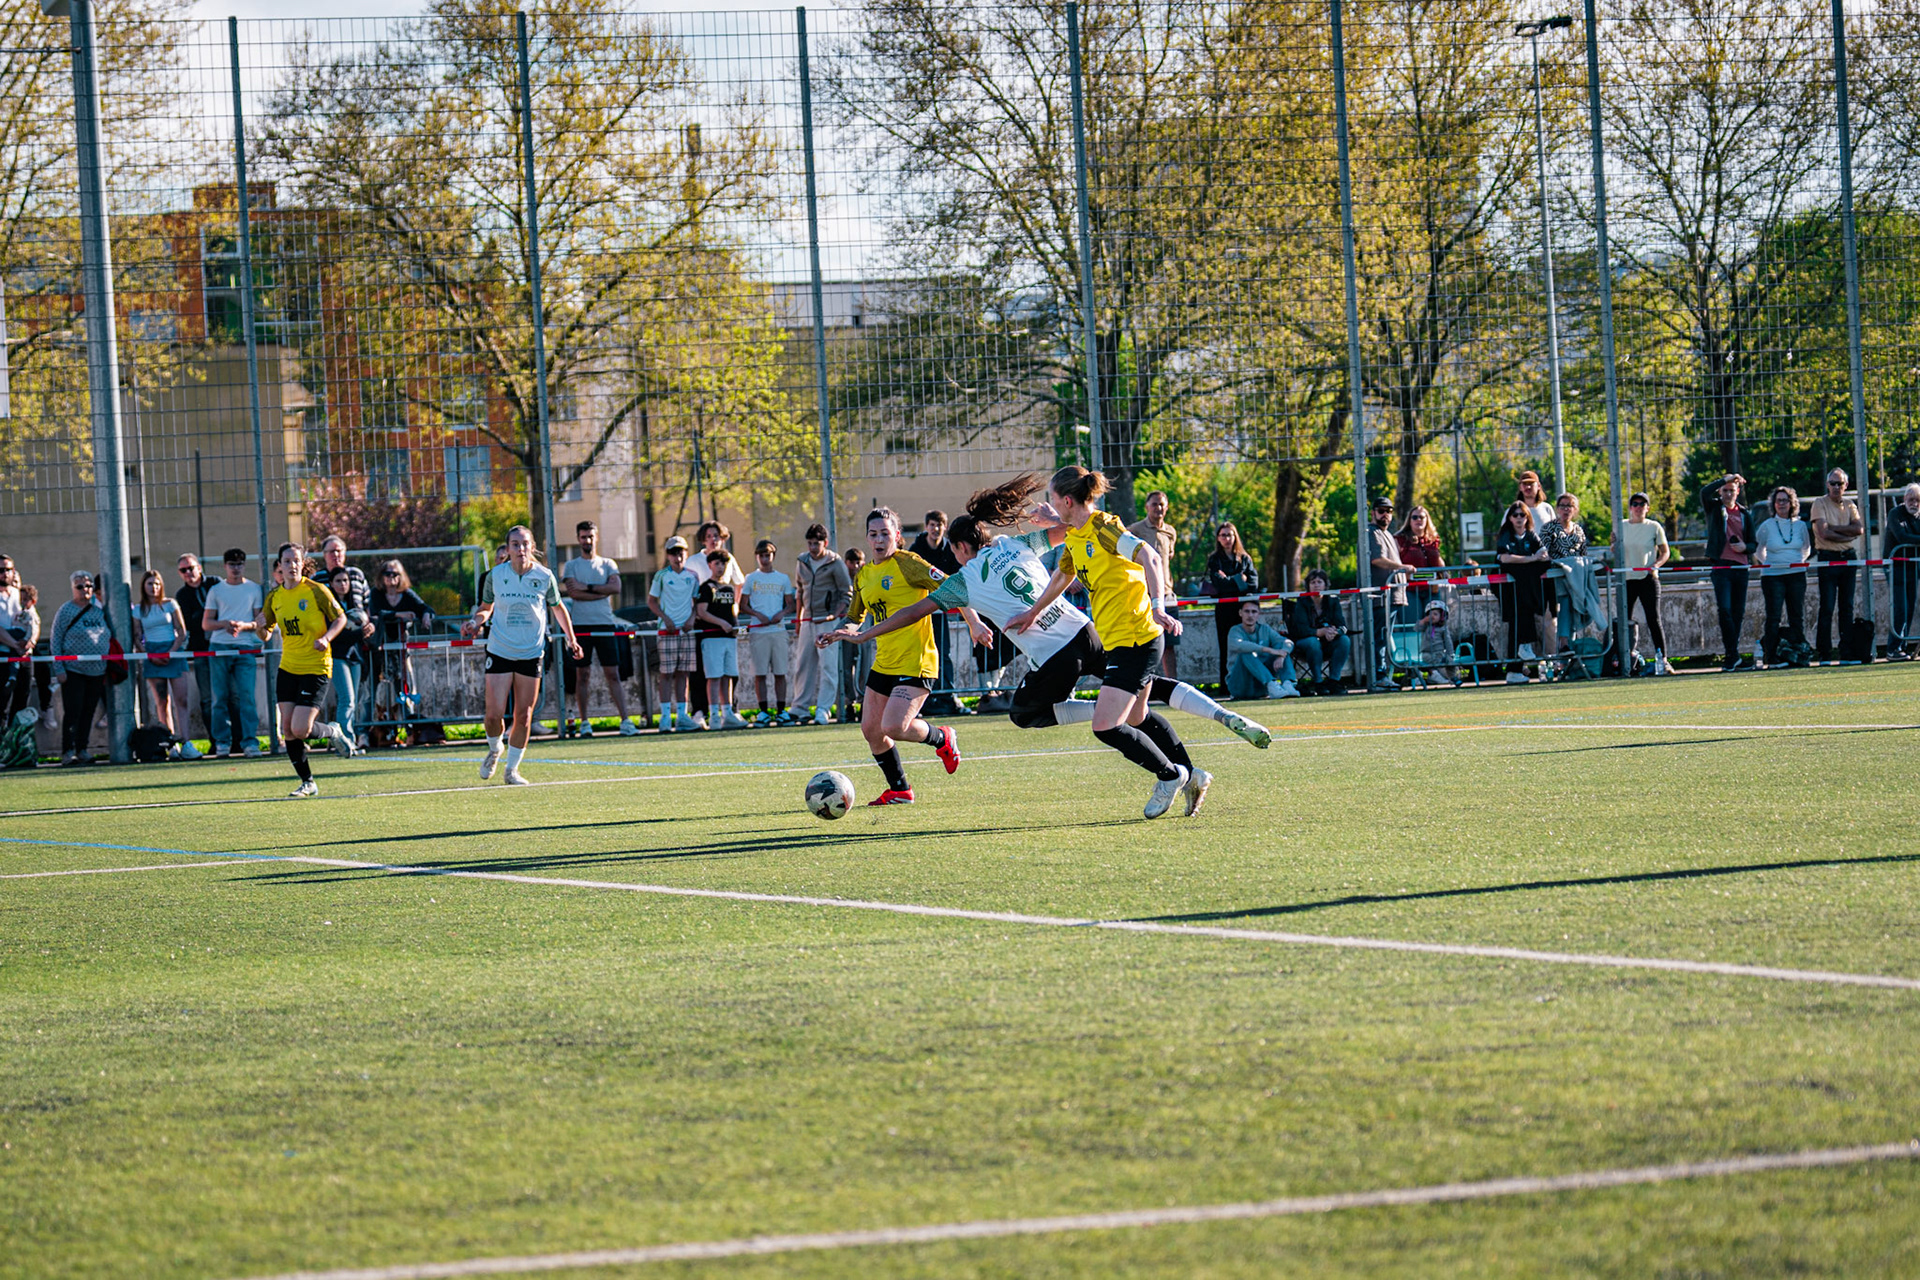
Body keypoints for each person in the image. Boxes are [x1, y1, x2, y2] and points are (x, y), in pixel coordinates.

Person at [822, 476, 1270, 797]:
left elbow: (912, 612)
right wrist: (1050, 515)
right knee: (1140, 695)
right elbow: (1070, 528)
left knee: (1025, 713)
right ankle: (1189, 768)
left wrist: (864, 635)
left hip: (1057, 656)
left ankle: (1122, 726)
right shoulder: (1016, 545)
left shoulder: (964, 581)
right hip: (1086, 633)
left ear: (959, 549)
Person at [1008, 467, 1203, 819]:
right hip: (1120, 641)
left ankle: (1170, 776)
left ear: (1068, 501)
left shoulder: (1103, 527)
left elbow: (1150, 556)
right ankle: (1192, 775)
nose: (1051, 505)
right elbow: (1062, 575)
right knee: (1138, 716)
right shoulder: (1076, 535)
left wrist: (1158, 606)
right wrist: (1033, 612)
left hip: (1137, 639)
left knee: (1106, 725)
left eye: (1053, 499)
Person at [833, 507, 963, 804]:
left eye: (885, 533)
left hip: (916, 660)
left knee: (894, 726)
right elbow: (855, 616)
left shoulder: (909, 563)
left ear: (897, 536)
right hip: (885, 662)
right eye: (873, 534)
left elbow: (954, 586)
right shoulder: (864, 574)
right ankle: (900, 789)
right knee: (871, 730)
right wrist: (840, 631)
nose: (879, 540)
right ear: (867, 538)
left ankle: (942, 737)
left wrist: (975, 623)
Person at [463, 525, 583, 784]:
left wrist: (571, 639)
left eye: (525, 543)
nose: (521, 549)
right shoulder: (495, 575)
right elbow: (486, 608)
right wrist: (475, 622)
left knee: (524, 715)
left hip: (531, 652)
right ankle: (495, 748)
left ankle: (512, 770)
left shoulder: (544, 576)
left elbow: (558, 608)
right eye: (515, 544)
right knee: (493, 715)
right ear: (507, 549)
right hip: (500, 650)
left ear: (532, 547)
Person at [253, 543, 351, 797]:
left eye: (296, 560)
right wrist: (260, 626)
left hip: (315, 667)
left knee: (300, 729)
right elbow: (265, 635)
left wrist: (326, 638)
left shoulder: (316, 590)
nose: (292, 565)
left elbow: (341, 618)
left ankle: (332, 731)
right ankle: (308, 782)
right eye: (287, 561)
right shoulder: (274, 597)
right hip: (288, 668)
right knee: (287, 729)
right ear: (280, 566)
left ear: (303, 563)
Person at [561, 520, 639, 737]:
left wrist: (587, 587)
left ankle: (625, 721)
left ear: (596, 537)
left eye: (591, 536)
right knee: (582, 675)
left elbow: (616, 588)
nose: (587, 540)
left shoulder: (608, 564)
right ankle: (585, 722)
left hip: (605, 623)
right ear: (578, 539)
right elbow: (573, 593)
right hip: (580, 626)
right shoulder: (571, 566)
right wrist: (601, 591)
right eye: (583, 537)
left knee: (613, 674)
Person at [312, 536, 373, 755]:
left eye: (339, 551)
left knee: (352, 699)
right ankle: (345, 740)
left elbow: (367, 610)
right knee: (346, 698)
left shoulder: (356, 582)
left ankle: (348, 739)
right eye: (331, 551)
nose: (343, 584)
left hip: (354, 652)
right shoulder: (320, 585)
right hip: (336, 652)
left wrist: (368, 625)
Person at [202, 548, 263, 758]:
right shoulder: (216, 590)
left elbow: (258, 622)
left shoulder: (254, 589)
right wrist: (224, 624)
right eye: (231, 564)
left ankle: (250, 742)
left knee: (247, 697)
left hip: (245, 648)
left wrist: (243, 626)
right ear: (225, 566)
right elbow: (206, 623)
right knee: (220, 697)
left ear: (244, 565)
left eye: (239, 564)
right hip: (219, 647)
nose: (235, 568)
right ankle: (222, 742)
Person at [132, 569, 199, 759]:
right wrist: (149, 655)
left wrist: (171, 652)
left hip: (173, 651)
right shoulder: (138, 610)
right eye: (149, 584)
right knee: (162, 702)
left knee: (181, 700)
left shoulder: (170, 604)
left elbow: (181, 631)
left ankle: (186, 742)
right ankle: (170, 744)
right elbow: (137, 636)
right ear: (143, 587)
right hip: (152, 654)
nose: (153, 587)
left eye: (156, 583)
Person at [790, 523, 851, 724]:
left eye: (816, 543)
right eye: (810, 543)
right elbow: (799, 591)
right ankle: (800, 708)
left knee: (828, 667)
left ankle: (823, 709)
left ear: (825, 542)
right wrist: (799, 619)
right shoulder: (802, 561)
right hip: (807, 621)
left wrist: (834, 615)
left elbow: (846, 593)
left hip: (827, 623)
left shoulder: (835, 562)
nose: (812, 548)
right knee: (803, 665)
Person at [369, 560, 435, 743]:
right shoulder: (376, 594)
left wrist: (426, 615)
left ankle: (410, 731)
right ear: (381, 576)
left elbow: (425, 607)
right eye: (387, 573)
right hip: (379, 649)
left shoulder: (406, 594)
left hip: (400, 650)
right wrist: (398, 615)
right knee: (377, 693)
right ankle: (373, 732)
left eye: (395, 574)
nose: (391, 577)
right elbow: (376, 613)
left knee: (405, 691)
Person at [50, 571, 111, 765]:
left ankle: (82, 749)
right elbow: (55, 640)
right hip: (73, 670)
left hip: (97, 670)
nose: (85, 589)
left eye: (89, 586)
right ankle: (67, 751)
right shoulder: (66, 610)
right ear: (73, 588)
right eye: (80, 586)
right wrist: (59, 669)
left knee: (88, 711)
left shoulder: (99, 610)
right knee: (73, 711)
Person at [1808, 468, 1864, 663]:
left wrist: (1834, 529)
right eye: (1832, 483)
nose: (1836, 487)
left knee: (1847, 607)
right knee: (1827, 606)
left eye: (1839, 484)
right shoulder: (1819, 503)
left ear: (1846, 486)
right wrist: (1846, 535)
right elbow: (1823, 533)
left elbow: (1859, 529)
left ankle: (1846, 652)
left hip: (1848, 558)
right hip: (1828, 558)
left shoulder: (1850, 505)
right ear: (1827, 484)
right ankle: (1824, 653)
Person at [740, 538, 798, 725]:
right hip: (759, 632)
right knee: (760, 673)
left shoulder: (782, 578)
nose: (765, 559)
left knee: (780, 672)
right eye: (761, 556)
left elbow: (791, 604)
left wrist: (781, 614)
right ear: (757, 557)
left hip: (778, 630)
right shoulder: (751, 578)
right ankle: (763, 711)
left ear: (773, 556)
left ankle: (781, 711)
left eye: (768, 555)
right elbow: (743, 605)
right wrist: (758, 615)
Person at [646, 536, 701, 731]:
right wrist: (665, 618)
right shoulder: (661, 576)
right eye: (673, 553)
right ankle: (665, 717)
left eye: (681, 552)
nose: (677, 557)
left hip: (686, 631)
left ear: (686, 553)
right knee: (666, 673)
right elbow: (651, 601)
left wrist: (692, 618)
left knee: (683, 674)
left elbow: (697, 603)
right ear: (668, 555)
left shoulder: (693, 576)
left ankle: (682, 715)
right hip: (667, 631)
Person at [1754, 485, 1812, 668]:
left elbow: (1806, 549)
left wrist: (1795, 563)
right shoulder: (1766, 526)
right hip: (1772, 577)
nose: (1781, 504)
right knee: (1773, 617)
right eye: (1778, 501)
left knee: (1797, 617)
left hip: (1796, 575)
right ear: (1774, 504)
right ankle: (1771, 657)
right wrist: (1771, 564)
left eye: (1785, 500)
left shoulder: (1800, 525)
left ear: (1791, 503)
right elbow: (1758, 550)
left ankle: (1798, 655)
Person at [1702, 473, 1754, 671]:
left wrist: (1745, 547)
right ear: (1720, 491)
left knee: (1737, 612)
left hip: (1740, 567)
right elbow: (1704, 492)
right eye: (1725, 490)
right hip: (1721, 567)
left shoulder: (1745, 514)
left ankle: (1733, 656)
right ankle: (1732, 655)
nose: (1728, 494)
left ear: (1737, 492)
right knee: (1724, 610)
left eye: (1732, 490)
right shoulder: (1714, 508)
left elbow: (1753, 543)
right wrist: (1728, 478)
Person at [1495, 501, 1551, 683]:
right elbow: (1505, 558)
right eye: (1515, 515)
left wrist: (1539, 556)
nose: (1519, 518)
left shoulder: (1531, 535)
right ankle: (1515, 666)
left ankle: (1518, 664)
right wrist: (1531, 559)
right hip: (1510, 590)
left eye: (1523, 515)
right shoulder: (1506, 535)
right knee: (1516, 624)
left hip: (1526, 590)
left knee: (1524, 619)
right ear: (1510, 518)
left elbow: (1543, 553)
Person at [694, 549, 749, 730]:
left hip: (729, 638)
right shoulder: (706, 587)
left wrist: (734, 626)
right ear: (710, 565)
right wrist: (721, 623)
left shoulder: (729, 588)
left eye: (723, 563)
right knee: (714, 676)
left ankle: (728, 713)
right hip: (712, 638)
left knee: (728, 676)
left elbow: (732, 611)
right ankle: (714, 715)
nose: (720, 567)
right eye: (717, 563)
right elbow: (701, 612)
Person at [1128, 490, 1181, 675]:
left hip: (1166, 593)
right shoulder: (1134, 530)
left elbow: (1169, 556)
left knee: (1169, 644)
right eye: (1154, 504)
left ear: (1166, 508)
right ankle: (1142, 682)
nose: (1158, 508)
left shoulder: (1170, 531)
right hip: (1144, 594)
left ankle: (1172, 683)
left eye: (1161, 504)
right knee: (1144, 644)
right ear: (1147, 507)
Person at [1619, 493, 1672, 674]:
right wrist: (1613, 545)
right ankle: (1624, 659)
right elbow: (1614, 547)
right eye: (1635, 504)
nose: (1638, 507)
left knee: (1653, 619)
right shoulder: (1621, 526)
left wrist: (1656, 565)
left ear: (1647, 508)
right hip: (1627, 579)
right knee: (1624, 621)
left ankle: (1663, 659)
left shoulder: (1654, 527)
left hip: (1647, 578)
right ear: (1630, 507)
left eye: (1642, 504)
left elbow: (1665, 552)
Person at [1540, 493, 1602, 644]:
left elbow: (1583, 554)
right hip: (1557, 578)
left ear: (1575, 509)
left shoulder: (1578, 530)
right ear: (1557, 509)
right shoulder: (1549, 528)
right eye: (1563, 506)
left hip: (1577, 577)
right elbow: (1543, 552)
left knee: (1576, 606)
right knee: (1566, 603)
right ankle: (1564, 643)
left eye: (1570, 506)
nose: (1566, 509)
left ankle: (1570, 645)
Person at [1204, 522, 1259, 691]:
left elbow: (1253, 584)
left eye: (1229, 535)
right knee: (1226, 646)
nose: (1227, 539)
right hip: (1224, 609)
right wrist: (1238, 580)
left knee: (1246, 644)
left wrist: (1228, 579)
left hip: (1243, 609)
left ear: (1235, 537)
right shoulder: (1214, 559)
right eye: (1223, 535)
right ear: (1218, 538)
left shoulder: (1245, 558)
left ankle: (1249, 683)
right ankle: (1226, 685)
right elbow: (1219, 585)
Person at [1365, 498, 1411, 686]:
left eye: (1389, 511)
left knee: (1384, 637)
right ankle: (1379, 676)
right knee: (1380, 637)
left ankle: (1383, 675)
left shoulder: (1388, 534)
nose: (1385, 514)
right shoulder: (1371, 532)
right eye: (1381, 510)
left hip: (1394, 596)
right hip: (1381, 597)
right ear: (1373, 513)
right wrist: (1403, 567)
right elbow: (1377, 560)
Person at [1287, 568, 1350, 694]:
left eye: (1319, 582)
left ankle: (1334, 681)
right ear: (1308, 586)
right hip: (1305, 642)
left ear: (1325, 585)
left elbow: (1342, 626)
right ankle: (1318, 682)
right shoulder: (1301, 602)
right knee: (1313, 642)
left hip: (1328, 641)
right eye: (1313, 582)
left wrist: (1335, 632)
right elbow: (1300, 630)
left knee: (1344, 640)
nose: (1316, 585)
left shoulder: (1333, 601)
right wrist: (1319, 632)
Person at [173, 553, 214, 745]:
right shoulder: (182, 595)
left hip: (223, 646)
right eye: (183, 570)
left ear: (199, 567)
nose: (188, 573)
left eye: (191, 568)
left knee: (232, 697)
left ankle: (237, 740)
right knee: (207, 699)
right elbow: (188, 624)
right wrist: (208, 619)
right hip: (200, 651)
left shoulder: (215, 584)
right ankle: (215, 741)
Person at [1225, 599, 1297, 700]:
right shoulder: (1234, 631)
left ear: (1259, 613)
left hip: (1260, 686)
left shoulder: (1265, 629)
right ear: (1240, 613)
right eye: (1247, 611)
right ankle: (1271, 683)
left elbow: (1287, 642)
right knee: (1246, 653)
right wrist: (1268, 650)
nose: (1250, 615)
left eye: (1254, 612)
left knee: (1281, 648)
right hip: (1240, 686)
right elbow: (1239, 645)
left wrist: (1282, 655)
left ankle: (1288, 684)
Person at [1886, 483, 1920, 659]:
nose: (1914, 503)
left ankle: (1902, 646)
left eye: (1917, 500)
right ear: (1904, 499)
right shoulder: (1895, 514)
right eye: (1911, 499)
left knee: (1910, 607)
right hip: (1895, 566)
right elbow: (1902, 537)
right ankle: (1893, 648)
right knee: (1900, 607)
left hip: (1913, 566)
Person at [1396, 505, 1444, 622]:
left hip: (1432, 590)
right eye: (1415, 517)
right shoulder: (1400, 539)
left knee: (1435, 625)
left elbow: (1439, 562)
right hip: (1410, 590)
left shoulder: (1433, 539)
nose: (1418, 520)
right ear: (1409, 521)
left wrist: (1444, 571)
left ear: (1427, 520)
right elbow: (1394, 563)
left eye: (1422, 517)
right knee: (1413, 626)